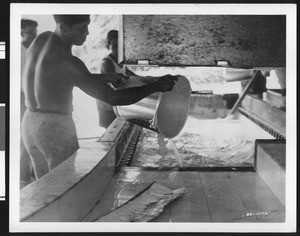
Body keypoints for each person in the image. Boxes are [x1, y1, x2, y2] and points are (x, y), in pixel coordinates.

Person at [21, 15, 178, 180]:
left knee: (43, 185)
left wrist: (103, 77)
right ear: (64, 27)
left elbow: (56, 77)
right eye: (81, 28)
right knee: (63, 184)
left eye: (87, 26)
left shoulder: (41, 39)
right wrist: (156, 86)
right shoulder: (69, 61)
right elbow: (112, 97)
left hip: (30, 122)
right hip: (54, 127)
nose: (87, 32)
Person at [96, 30, 136, 128]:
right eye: (115, 46)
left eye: (120, 46)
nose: (118, 50)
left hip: (115, 101)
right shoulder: (107, 63)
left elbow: (130, 74)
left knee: (121, 129)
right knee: (112, 131)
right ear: (108, 47)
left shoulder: (120, 61)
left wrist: (146, 80)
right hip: (107, 104)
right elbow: (115, 84)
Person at [20, 18, 38, 189]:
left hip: (33, 97)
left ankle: (32, 174)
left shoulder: (34, 49)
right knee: (22, 139)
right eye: (31, 31)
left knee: (34, 136)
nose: (35, 34)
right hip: (21, 97)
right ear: (22, 33)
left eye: (35, 31)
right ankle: (23, 178)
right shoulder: (18, 50)